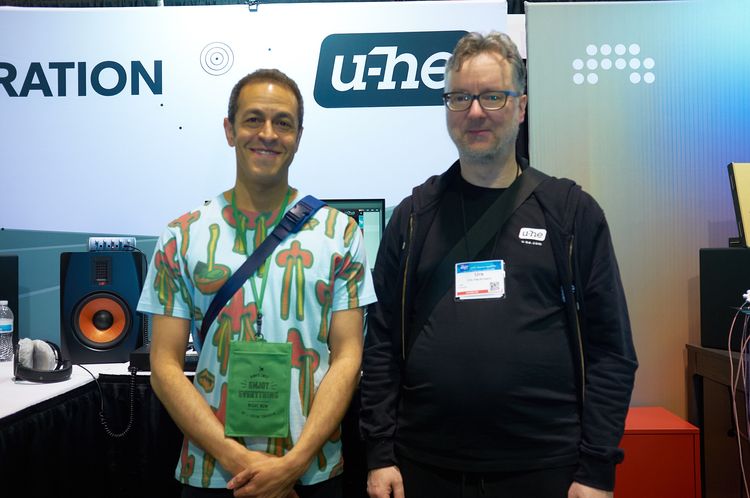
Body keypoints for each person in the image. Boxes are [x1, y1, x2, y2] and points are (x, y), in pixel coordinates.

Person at [359, 32, 638, 498]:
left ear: (521, 107)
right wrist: (380, 454)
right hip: (424, 467)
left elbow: (612, 350)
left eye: (492, 96)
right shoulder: (413, 217)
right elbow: (382, 344)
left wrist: (596, 470)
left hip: (545, 468)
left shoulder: (569, 213)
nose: (474, 112)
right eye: (459, 97)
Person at [137, 68, 376, 498]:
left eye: (283, 122)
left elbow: (348, 357)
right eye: (253, 119)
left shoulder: (340, 234)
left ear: (298, 136)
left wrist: (294, 464)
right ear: (230, 130)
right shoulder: (181, 236)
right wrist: (242, 462)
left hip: (312, 471)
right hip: (213, 472)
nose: (268, 134)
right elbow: (164, 366)